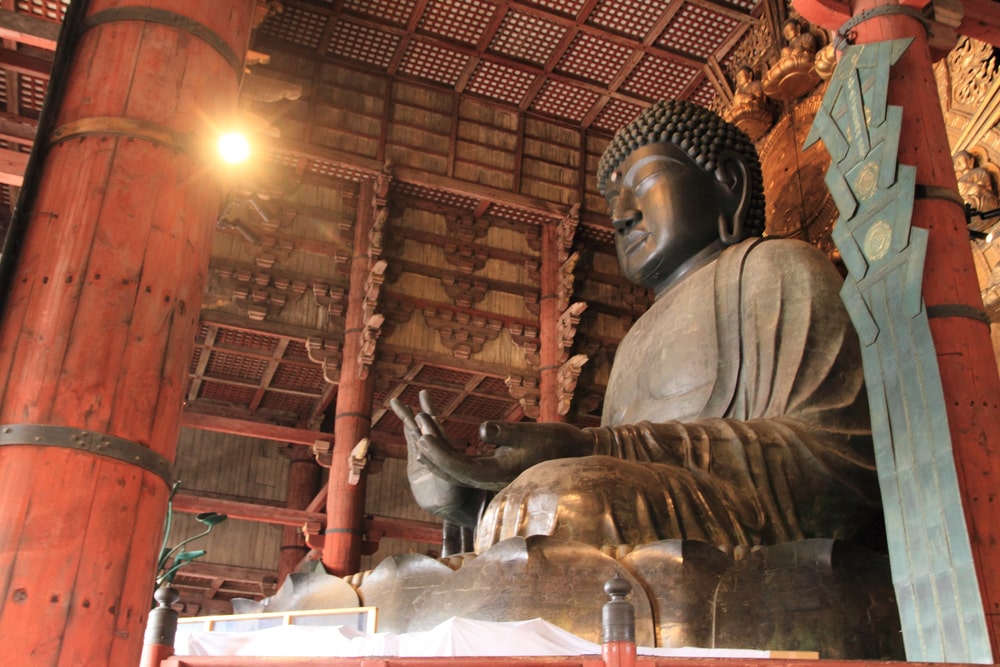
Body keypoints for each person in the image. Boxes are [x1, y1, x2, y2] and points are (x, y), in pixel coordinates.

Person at [392, 99, 881, 557]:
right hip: (648, 533)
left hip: (752, 538)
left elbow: (840, 460)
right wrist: (463, 500)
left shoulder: (775, 268)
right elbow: (618, 479)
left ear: (728, 183)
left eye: (644, 184)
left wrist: (596, 446)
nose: (622, 216)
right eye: (612, 204)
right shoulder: (634, 342)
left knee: (568, 499)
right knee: (547, 502)